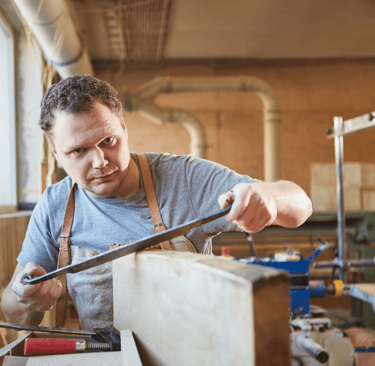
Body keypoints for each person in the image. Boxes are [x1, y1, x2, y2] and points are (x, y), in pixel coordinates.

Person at [1, 75, 312, 331]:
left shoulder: (184, 179)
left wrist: (269, 196)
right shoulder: (56, 205)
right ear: (56, 153)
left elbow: (300, 205)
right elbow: (14, 314)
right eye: (78, 151)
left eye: (108, 141)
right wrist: (26, 301)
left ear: (123, 128)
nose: (99, 161)